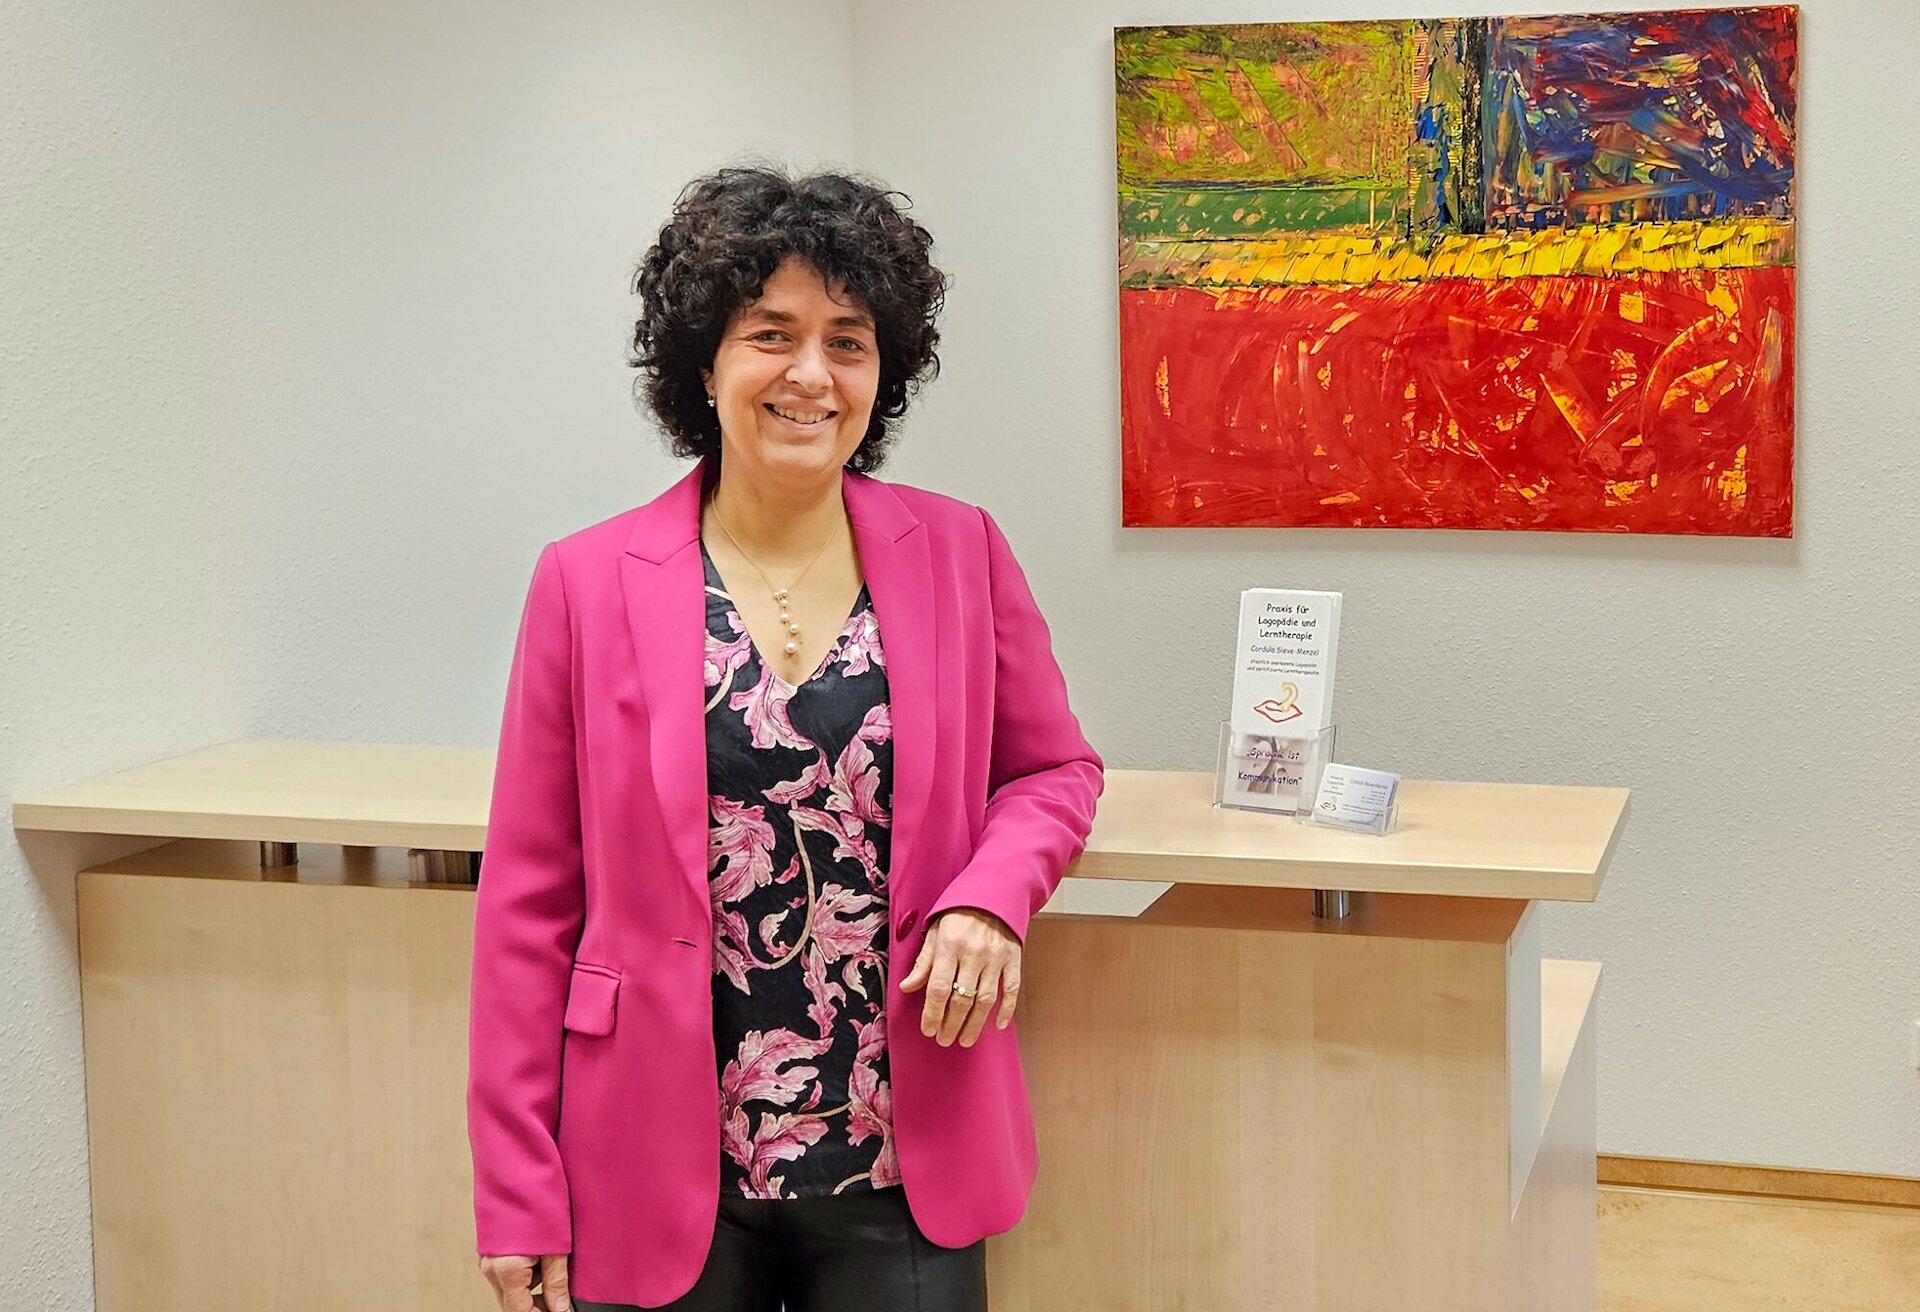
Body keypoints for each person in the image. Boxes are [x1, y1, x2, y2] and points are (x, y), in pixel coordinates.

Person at [467, 166, 1104, 1312]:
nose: (812, 374)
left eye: (847, 342)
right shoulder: (585, 581)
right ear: (704, 363)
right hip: (652, 1165)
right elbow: (526, 904)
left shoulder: (961, 552)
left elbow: (1054, 768)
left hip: (902, 1160)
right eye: (773, 334)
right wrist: (517, 1189)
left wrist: (991, 895)